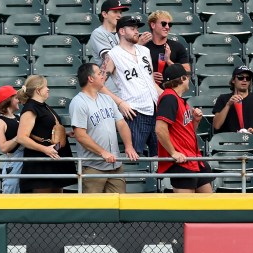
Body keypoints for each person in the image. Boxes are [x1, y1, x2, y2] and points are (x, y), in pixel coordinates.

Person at [69, 63, 138, 193]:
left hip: (115, 165)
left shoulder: (107, 99)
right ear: (90, 78)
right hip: (93, 167)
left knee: (119, 207)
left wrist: (129, 145)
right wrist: (102, 152)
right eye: (99, 73)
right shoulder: (78, 102)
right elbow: (80, 135)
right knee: (94, 210)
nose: (103, 76)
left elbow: (122, 123)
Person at [103, 16, 163, 157]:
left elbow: (150, 81)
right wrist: (120, 103)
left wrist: (167, 96)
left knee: (160, 156)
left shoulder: (144, 51)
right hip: (134, 111)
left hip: (154, 108)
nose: (137, 31)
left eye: (137, 28)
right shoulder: (112, 55)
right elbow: (98, 84)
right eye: (133, 28)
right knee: (135, 156)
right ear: (122, 31)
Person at [156, 64, 214, 193]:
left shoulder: (179, 99)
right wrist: (173, 152)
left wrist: (196, 121)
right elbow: (160, 129)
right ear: (182, 79)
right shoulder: (169, 98)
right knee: (187, 209)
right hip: (182, 162)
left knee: (210, 206)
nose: (189, 80)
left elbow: (187, 131)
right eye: (187, 77)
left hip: (194, 159)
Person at [16, 75, 77, 193]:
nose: (48, 89)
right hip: (41, 165)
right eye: (45, 87)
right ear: (38, 90)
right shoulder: (30, 108)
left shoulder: (43, 106)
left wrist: (66, 134)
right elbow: (21, 137)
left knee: (56, 203)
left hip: (53, 161)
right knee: (42, 205)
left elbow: (44, 129)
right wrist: (45, 149)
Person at [143, 10, 190, 86]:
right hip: (147, 91)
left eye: (170, 24)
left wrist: (168, 61)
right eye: (163, 24)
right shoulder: (144, 47)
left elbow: (187, 74)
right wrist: (149, 76)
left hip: (171, 92)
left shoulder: (178, 47)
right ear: (153, 25)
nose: (167, 27)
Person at [0, 85, 24, 194]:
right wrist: (19, 137)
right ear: (8, 100)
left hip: (26, 161)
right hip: (14, 163)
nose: (18, 100)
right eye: (16, 98)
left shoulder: (19, 118)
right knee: (13, 197)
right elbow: (3, 147)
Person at [212, 65, 253, 134]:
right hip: (230, 141)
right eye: (240, 77)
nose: (244, 80)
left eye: (248, 78)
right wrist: (228, 105)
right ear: (233, 80)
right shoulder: (223, 98)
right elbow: (216, 125)